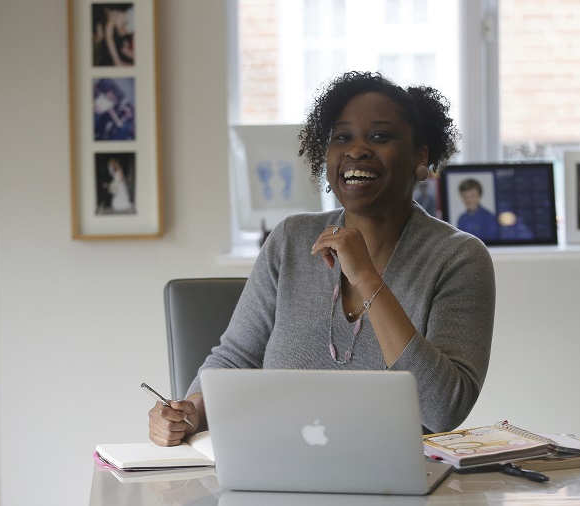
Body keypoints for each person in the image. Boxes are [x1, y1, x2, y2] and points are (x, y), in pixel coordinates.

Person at [148, 71, 496, 446]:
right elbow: (235, 360)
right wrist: (190, 413)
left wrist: (367, 277)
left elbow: (444, 409)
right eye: (341, 137)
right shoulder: (290, 239)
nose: (357, 150)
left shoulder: (459, 257)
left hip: (396, 487)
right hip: (275, 468)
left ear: (420, 157)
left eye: (379, 136)